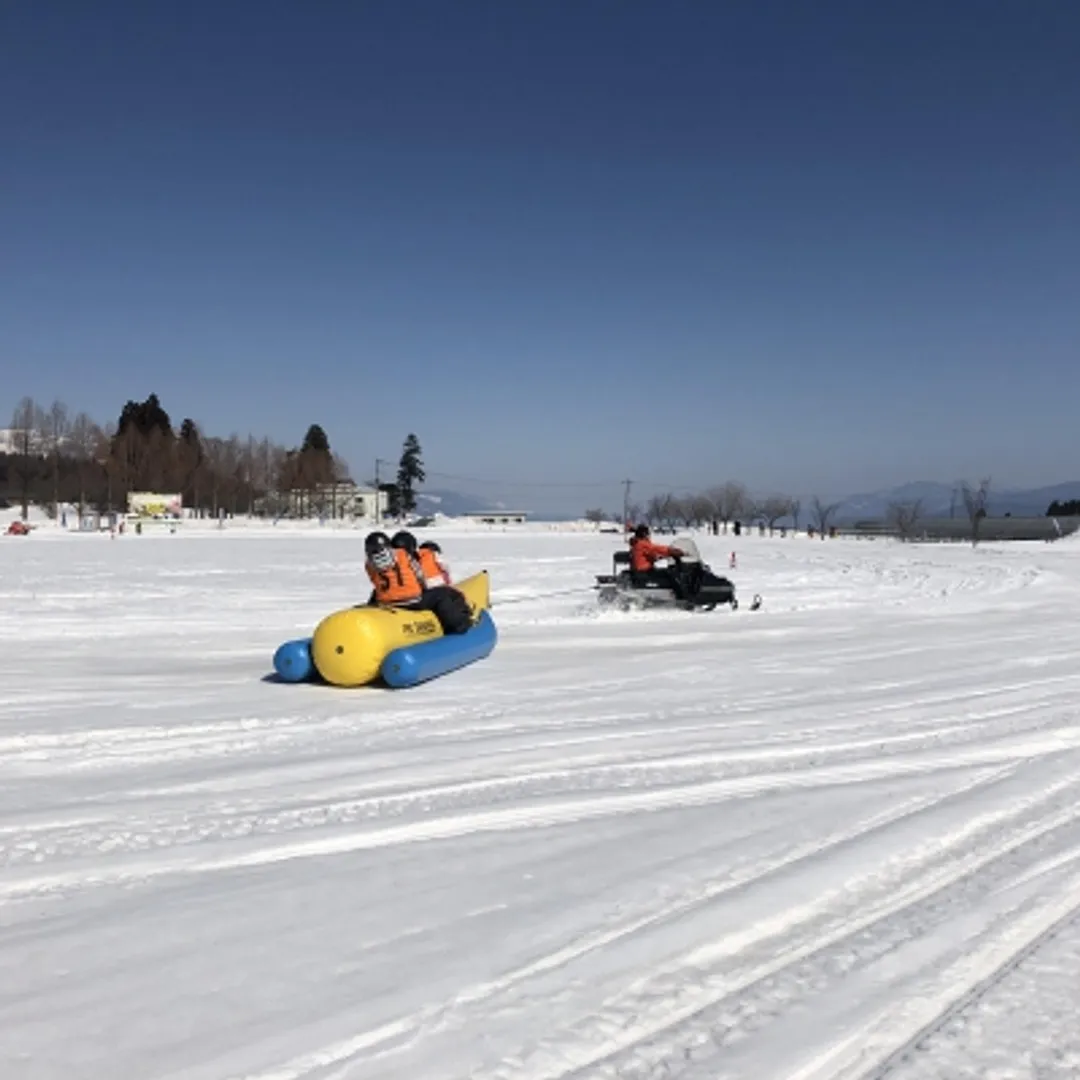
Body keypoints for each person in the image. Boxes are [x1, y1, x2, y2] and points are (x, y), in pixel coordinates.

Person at [371, 530, 473, 634]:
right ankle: (458, 624)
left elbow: (376, 582)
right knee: (446, 595)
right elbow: (422, 578)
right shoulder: (406, 557)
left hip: (386, 602)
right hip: (412, 601)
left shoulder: (370, 564)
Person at [628, 523, 685, 593]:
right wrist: (671, 551)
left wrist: (657, 557)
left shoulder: (637, 543)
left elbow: (648, 554)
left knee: (666, 572)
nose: (648, 536)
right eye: (647, 533)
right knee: (670, 574)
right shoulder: (642, 544)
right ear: (644, 534)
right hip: (645, 571)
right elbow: (656, 549)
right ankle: (680, 595)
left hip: (641, 570)